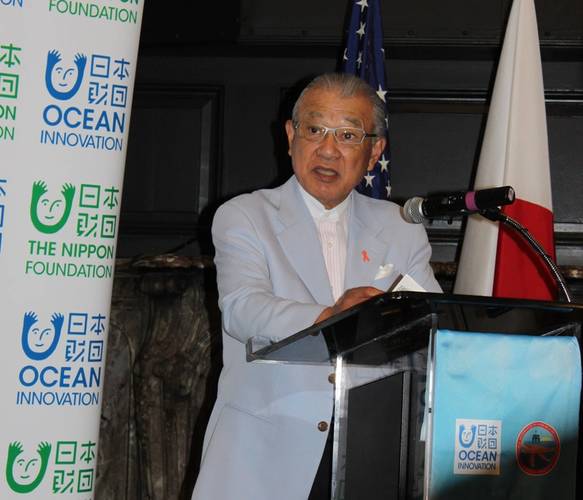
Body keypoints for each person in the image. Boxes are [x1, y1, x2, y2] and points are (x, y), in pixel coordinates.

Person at [192, 73, 441, 500]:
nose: (327, 149)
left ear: (373, 150)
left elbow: (433, 328)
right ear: (290, 136)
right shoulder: (245, 216)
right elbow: (243, 309)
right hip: (267, 455)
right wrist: (333, 318)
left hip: (370, 456)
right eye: (314, 130)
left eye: (347, 134)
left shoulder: (401, 228)